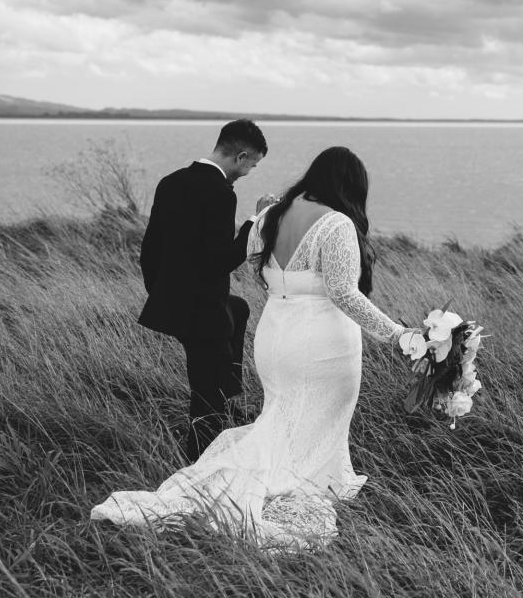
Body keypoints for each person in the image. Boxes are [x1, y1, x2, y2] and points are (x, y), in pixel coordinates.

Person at [92, 146, 415, 549]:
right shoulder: (337, 224)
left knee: (282, 415)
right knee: (315, 413)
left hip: (276, 333)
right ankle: (309, 479)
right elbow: (345, 294)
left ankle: (298, 473)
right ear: (350, 186)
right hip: (321, 341)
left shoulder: (273, 215)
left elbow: (254, 265)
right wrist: (398, 335)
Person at [136, 119, 273, 461]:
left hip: (173, 302)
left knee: (238, 308)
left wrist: (163, 294)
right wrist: (256, 223)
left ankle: (231, 391)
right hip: (202, 311)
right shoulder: (220, 192)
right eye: (252, 164)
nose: (249, 172)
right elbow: (221, 261)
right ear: (241, 156)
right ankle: (200, 462)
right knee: (206, 398)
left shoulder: (170, 182)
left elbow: (150, 249)